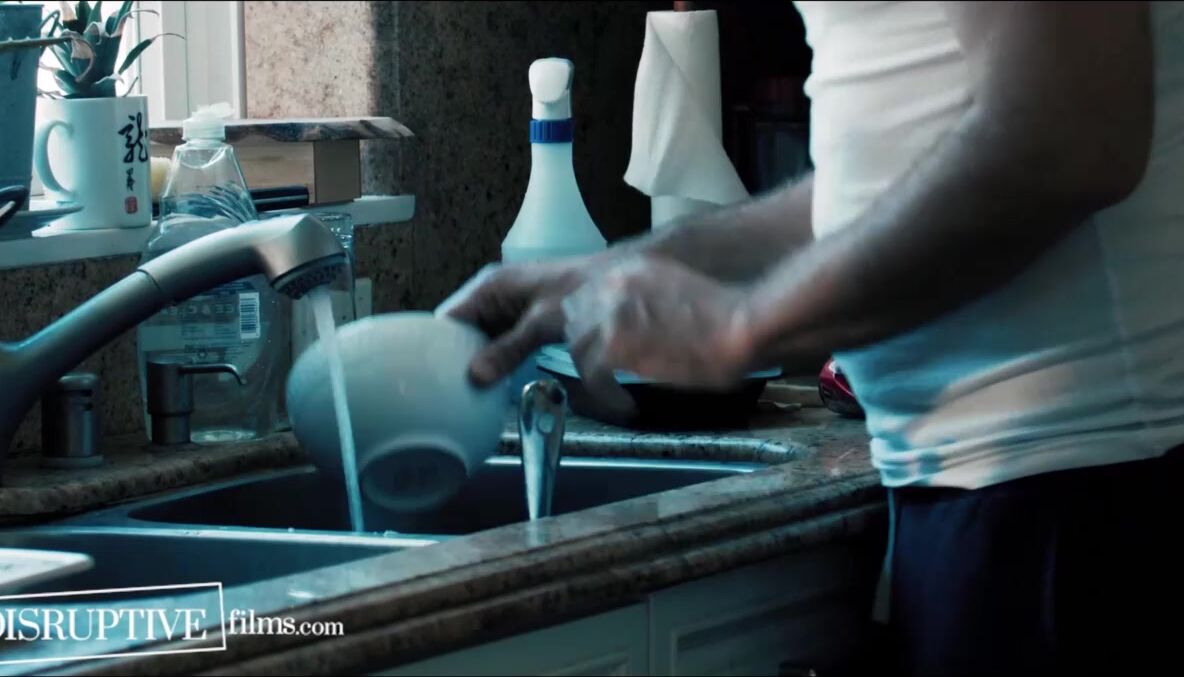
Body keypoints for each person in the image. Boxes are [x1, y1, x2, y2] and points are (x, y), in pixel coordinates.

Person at [438, 2, 1183, 675]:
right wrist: (631, 268)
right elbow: (876, 188)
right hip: (1005, 493)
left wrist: (741, 324)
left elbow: (1072, 133)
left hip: (1083, 497)